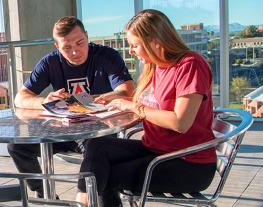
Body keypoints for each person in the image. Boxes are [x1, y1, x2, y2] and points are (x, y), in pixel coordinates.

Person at [75, 9, 217, 207]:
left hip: (189, 163)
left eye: (135, 45)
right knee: (97, 145)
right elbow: (155, 101)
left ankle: (84, 204)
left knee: (105, 175)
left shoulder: (190, 65)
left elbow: (180, 122)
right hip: (157, 150)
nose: (131, 51)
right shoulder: (156, 67)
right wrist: (117, 98)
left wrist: (134, 106)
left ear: (154, 41)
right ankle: (83, 202)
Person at [7, 16, 135, 198]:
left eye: (79, 43)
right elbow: (20, 98)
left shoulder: (106, 56)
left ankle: (102, 200)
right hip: (62, 132)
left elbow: (127, 91)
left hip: (98, 132)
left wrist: (85, 100)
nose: (75, 52)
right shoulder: (50, 62)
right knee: (16, 147)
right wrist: (44, 102)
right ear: (57, 47)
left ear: (87, 36)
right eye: (67, 47)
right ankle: (45, 195)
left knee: (99, 155)